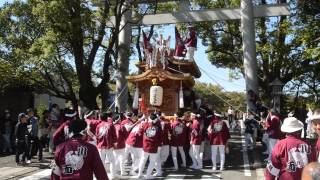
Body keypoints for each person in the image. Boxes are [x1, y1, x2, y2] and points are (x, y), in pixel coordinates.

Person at [137, 113, 163, 179]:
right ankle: (148, 175)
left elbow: (139, 133)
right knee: (152, 161)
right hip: (154, 145)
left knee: (143, 159)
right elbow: (160, 136)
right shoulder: (158, 125)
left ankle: (140, 174)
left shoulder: (145, 124)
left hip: (145, 145)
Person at [95, 112, 117, 179]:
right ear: (107, 117)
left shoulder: (98, 126)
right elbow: (114, 136)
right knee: (112, 161)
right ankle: (112, 176)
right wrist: (115, 144)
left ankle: (101, 176)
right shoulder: (110, 125)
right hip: (108, 146)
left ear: (100, 118)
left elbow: (97, 137)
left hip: (100, 146)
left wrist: (97, 144)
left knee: (101, 162)